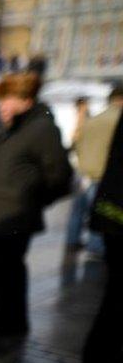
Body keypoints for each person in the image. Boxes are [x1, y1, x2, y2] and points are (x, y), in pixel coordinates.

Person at [0, 72, 72, 335]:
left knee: (11, 268)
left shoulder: (41, 129)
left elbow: (60, 176)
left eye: (8, 98)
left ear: (26, 100)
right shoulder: (13, 126)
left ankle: (13, 321)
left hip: (15, 213)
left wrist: (31, 200)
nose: (3, 104)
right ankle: (0, 312)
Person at [83, 87, 123, 363]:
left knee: (114, 293)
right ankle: (102, 358)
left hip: (110, 207)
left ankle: (100, 356)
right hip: (117, 213)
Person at [69, 87, 122, 256]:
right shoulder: (117, 120)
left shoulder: (92, 119)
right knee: (99, 210)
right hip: (101, 173)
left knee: (78, 210)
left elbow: (77, 144)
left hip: (83, 171)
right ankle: (95, 247)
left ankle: (72, 239)